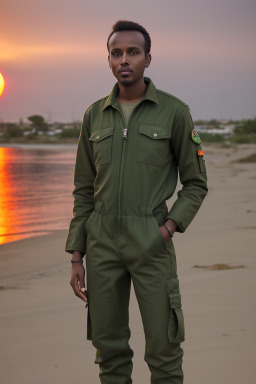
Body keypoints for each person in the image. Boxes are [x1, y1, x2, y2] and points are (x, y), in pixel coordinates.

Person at [66, 20, 207, 384]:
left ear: (147, 58)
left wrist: (167, 228)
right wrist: (77, 255)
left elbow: (195, 183)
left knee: (164, 350)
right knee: (109, 351)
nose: (124, 59)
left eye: (132, 52)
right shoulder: (94, 115)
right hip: (101, 244)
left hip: (151, 240)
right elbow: (83, 191)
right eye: (116, 53)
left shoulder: (175, 112)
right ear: (109, 60)